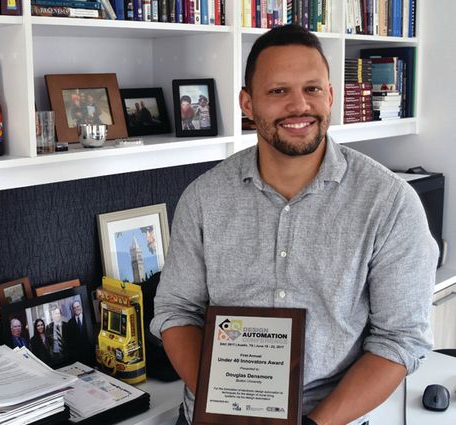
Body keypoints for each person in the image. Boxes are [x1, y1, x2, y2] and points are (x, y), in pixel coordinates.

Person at [150, 24, 438, 425]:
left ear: (331, 96)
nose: (299, 105)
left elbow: (400, 340)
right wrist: (226, 405)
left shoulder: (389, 203)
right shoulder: (203, 198)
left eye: (313, 89)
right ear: (247, 104)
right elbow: (177, 311)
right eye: (278, 91)